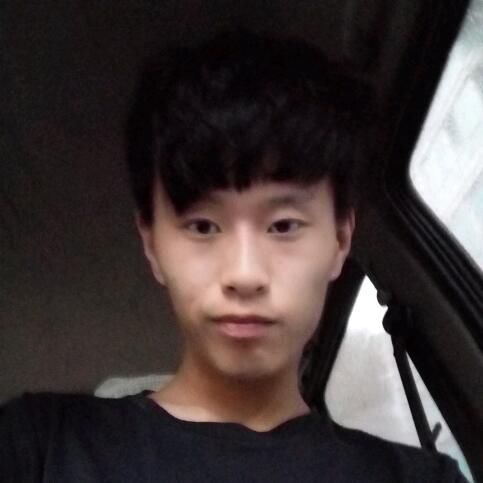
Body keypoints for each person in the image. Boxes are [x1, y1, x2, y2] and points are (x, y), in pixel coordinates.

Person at [0, 30, 468, 482]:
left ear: (341, 240)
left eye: (283, 225)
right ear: (152, 244)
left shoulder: (421, 478)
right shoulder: (39, 447)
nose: (244, 275)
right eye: (203, 226)